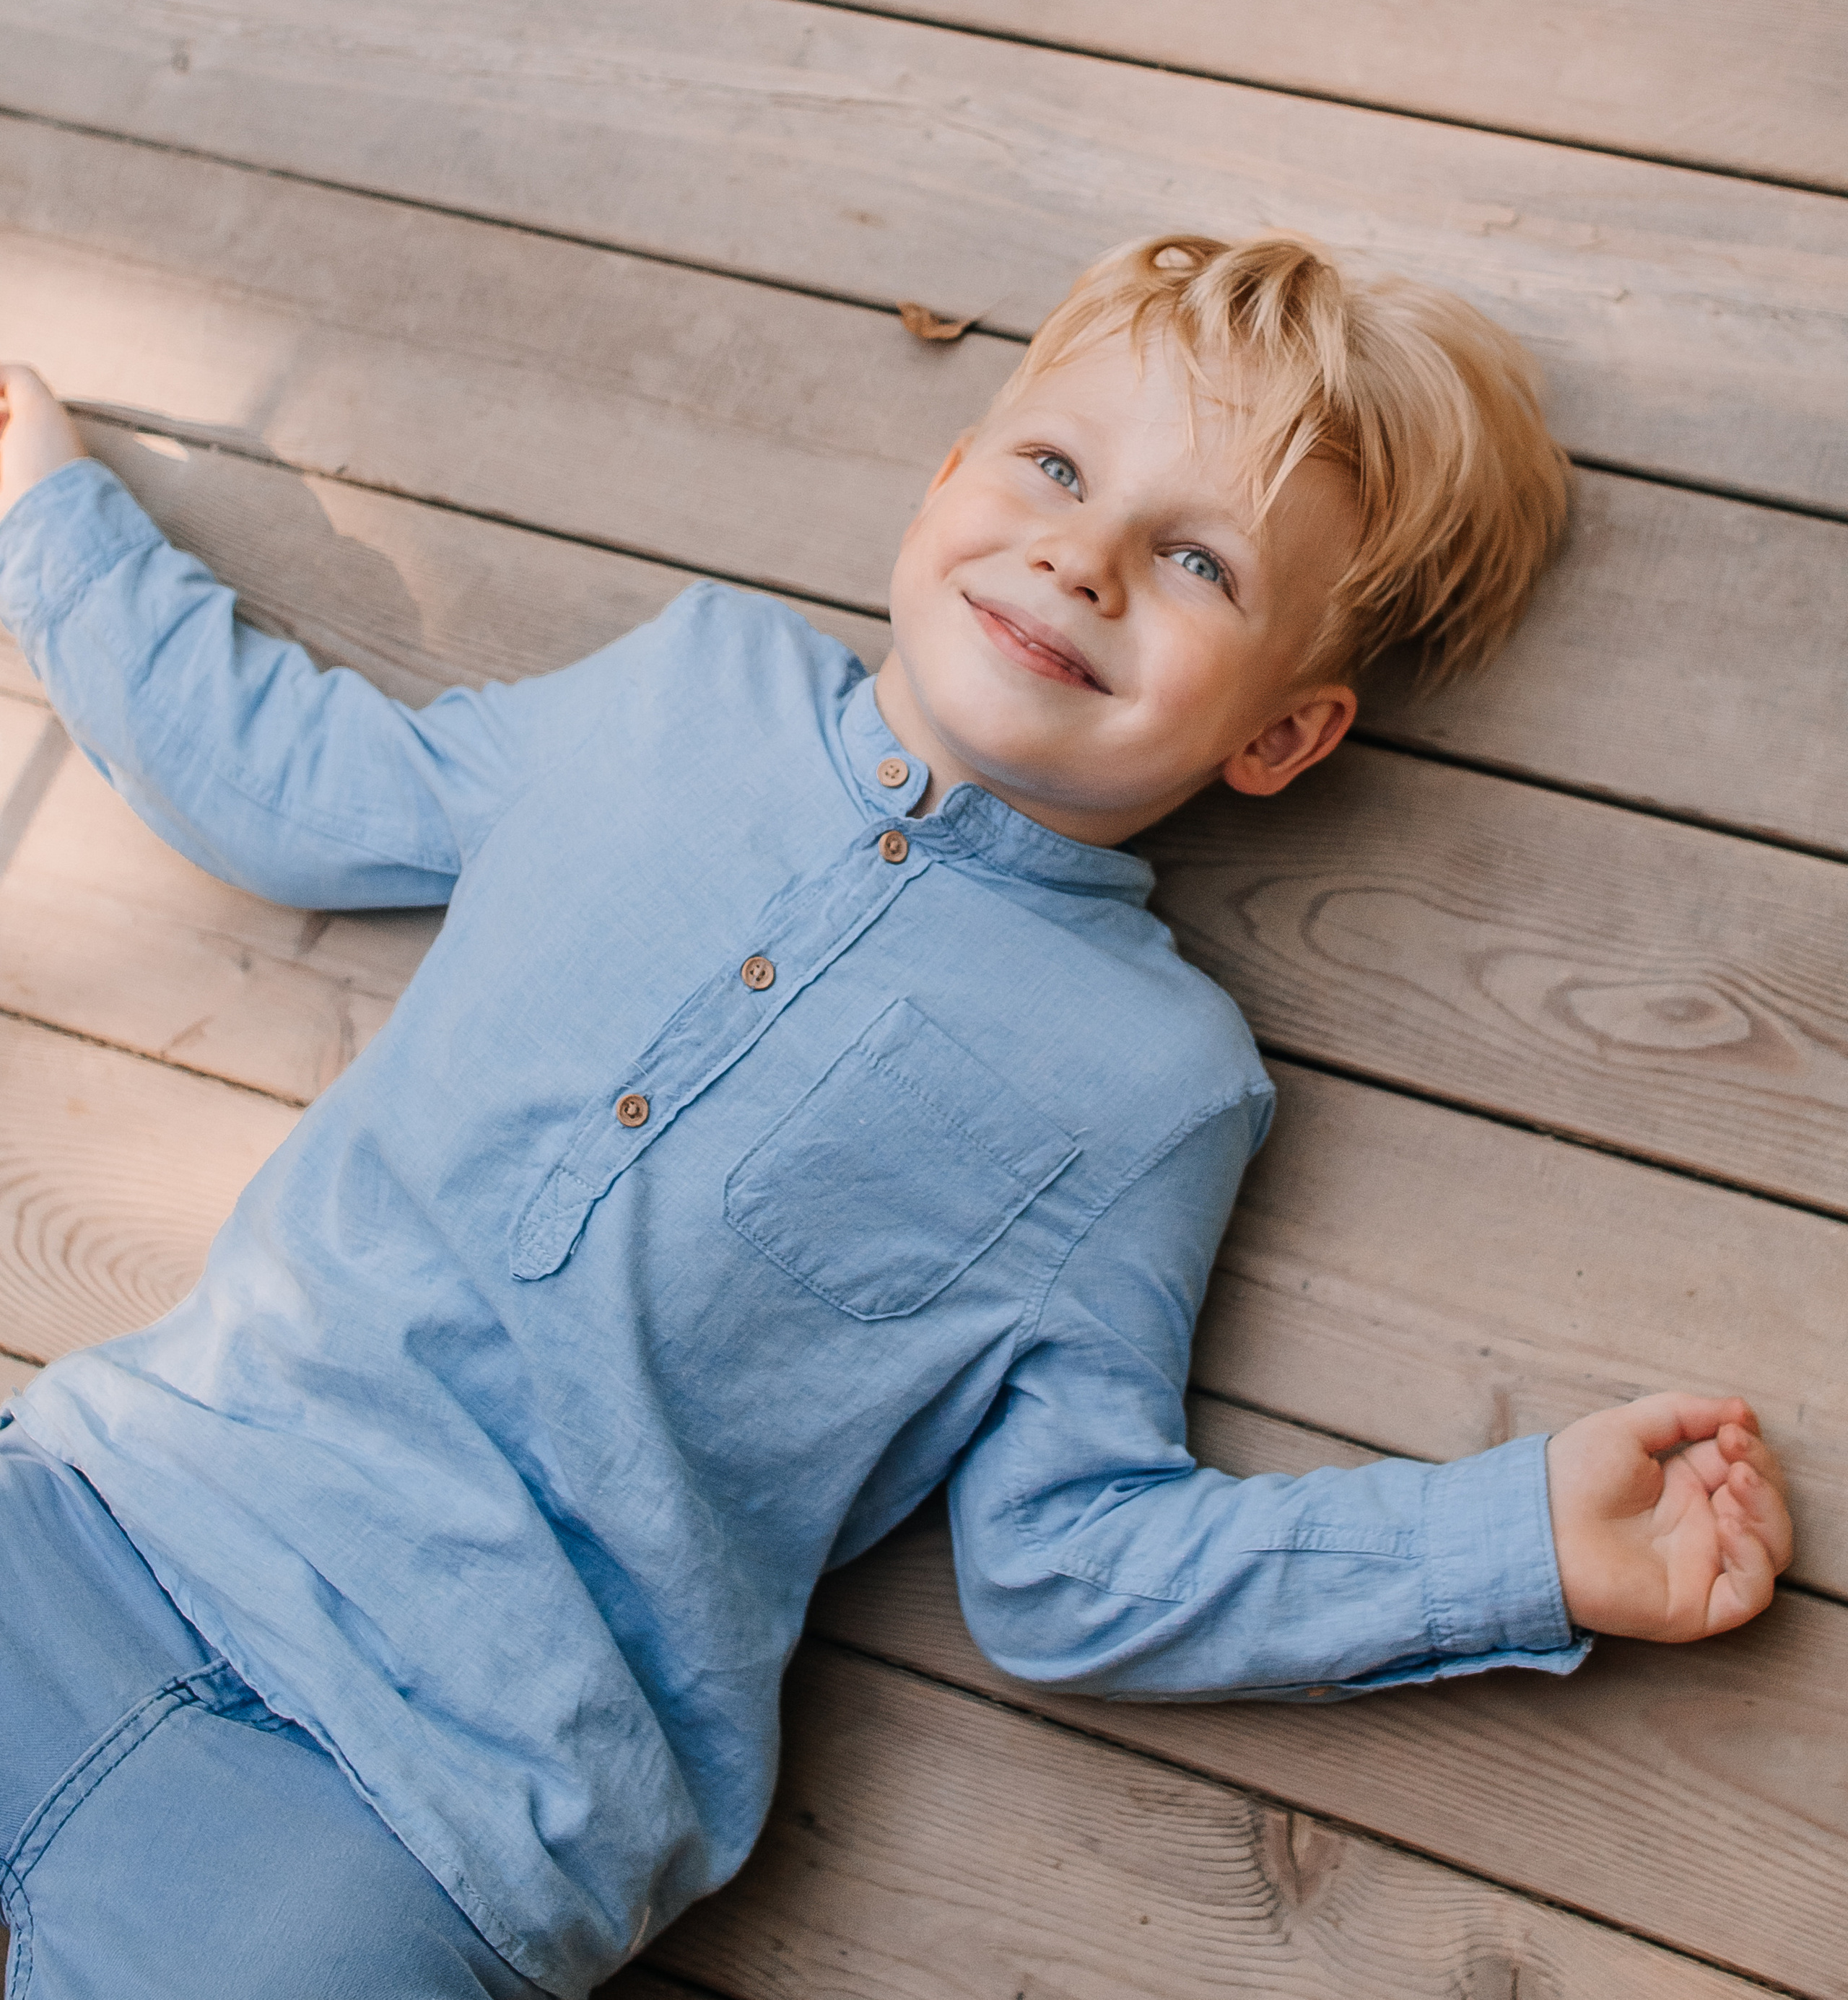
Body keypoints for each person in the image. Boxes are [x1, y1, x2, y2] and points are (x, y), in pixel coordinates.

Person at [0, 235, 1792, 2000]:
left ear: (1279, 737)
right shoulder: (674, 690)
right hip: (89, 1527)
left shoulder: (1155, 1087)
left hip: (420, 1813)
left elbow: (1068, 1563)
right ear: (945, 482)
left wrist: (1511, 1545)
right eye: (1051, 465)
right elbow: (293, 787)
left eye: (1193, 560)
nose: (1076, 556)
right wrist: (50, 521)